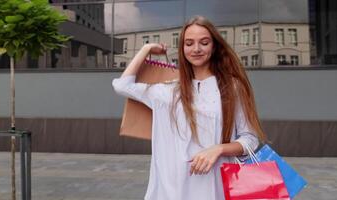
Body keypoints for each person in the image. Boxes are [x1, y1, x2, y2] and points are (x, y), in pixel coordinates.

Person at [112, 15, 265, 200]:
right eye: (189, 43)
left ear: (214, 46)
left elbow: (250, 139)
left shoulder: (232, 87)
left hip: (215, 187)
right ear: (182, 48)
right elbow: (122, 85)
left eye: (204, 42)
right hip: (170, 190)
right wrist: (146, 49)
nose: (196, 49)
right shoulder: (168, 91)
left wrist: (218, 149)